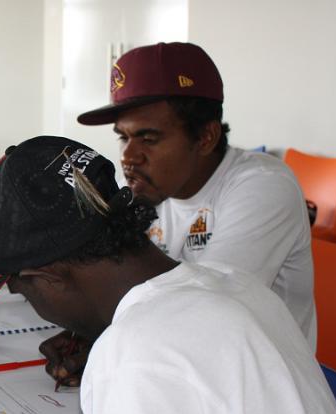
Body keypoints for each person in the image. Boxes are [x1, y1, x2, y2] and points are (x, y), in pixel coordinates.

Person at [0, 135, 336, 414]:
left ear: (47, 275)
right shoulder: (235, 284)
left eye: (23, 291)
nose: (35, 307)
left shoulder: (133, 354)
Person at [41, 42, 316, 382]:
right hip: (190, 372)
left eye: (149, 138)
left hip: (265, 388)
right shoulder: (155, 190)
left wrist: (107, 336)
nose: (129, 156)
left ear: (205, 137)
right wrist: (87, 334)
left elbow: (207, 312)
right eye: (124, 138)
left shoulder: (263, 186)